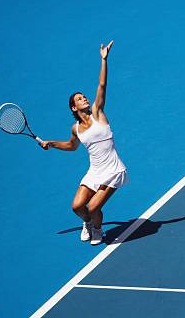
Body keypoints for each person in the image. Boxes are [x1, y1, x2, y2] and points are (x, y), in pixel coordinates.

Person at [40, 40, 127, 245]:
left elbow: (102, 85)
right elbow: (72, 146)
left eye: (84, 97)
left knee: (94, 207)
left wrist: (104, 60)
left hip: (113, 170)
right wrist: (51, 143)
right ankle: (87, 223)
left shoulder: (98, 112)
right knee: (77, 207)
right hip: (95, 171)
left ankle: (97, 229)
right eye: (79, 99)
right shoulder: (76, 129)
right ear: (73, 107)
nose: (84, 99)